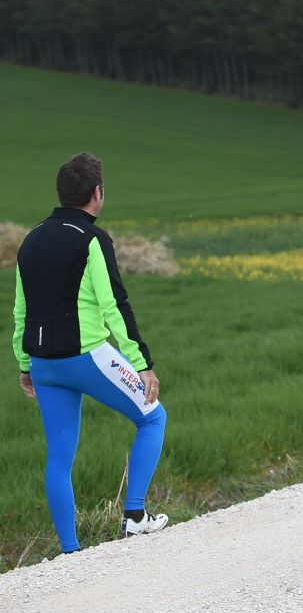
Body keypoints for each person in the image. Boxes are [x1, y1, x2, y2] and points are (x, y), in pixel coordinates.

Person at [14, 152, 169, 554]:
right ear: (97, 194)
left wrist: (24, 364)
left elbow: (20, 310)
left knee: (60, 456)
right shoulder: (93, 239)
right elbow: (114, 305)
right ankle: (135, 517)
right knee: (153, 418)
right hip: (87, 358)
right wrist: (142, 364)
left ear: (61, 193)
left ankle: (70, 551)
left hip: (44, 364)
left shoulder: (29, 239)